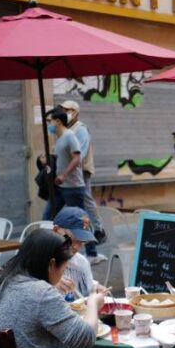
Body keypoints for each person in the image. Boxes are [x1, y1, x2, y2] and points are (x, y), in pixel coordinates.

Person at [59, 100, 107, 264]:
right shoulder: (66, 129)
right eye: (62, 109)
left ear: (75, 112)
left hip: (80, 174)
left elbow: (80, 154)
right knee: (78, 210)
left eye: (67, 110)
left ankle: (98, 232)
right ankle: (90, 247)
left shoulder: (80, 129)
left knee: (83, 207)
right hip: (69, 176)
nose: (64, 112)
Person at [51, 206, 103, 299]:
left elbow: (89, 288)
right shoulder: (40, 259)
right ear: (56, 230)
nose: (77, 247)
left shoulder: (81, 262)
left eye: (82, 241)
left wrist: (95, 288)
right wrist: (50, 285)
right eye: (73, 239)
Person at [46, 109, 87, 220]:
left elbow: (77, 158)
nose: (48, 124)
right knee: (48, 217)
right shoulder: (59, 139)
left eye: (49, 121)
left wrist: (64, 175)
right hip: (60, 187)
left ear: (58, 121)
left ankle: (88, 237)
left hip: (73, 188)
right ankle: (49, 237)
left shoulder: (70, 136)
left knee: (80, 221)